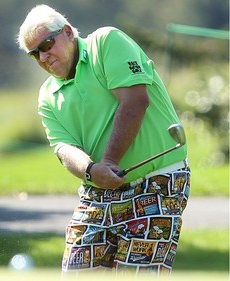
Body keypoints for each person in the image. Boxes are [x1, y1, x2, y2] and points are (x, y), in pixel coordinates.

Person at [17, 4, 190, 277]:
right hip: (97, 191)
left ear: (67, 32)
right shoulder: (48, 95)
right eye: (34, 54)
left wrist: (107, 162)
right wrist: (90, 170)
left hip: (157, 182)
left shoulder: (106, 42)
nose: (43, 57)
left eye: (47, 44)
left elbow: (135, 101)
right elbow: (64, 149)